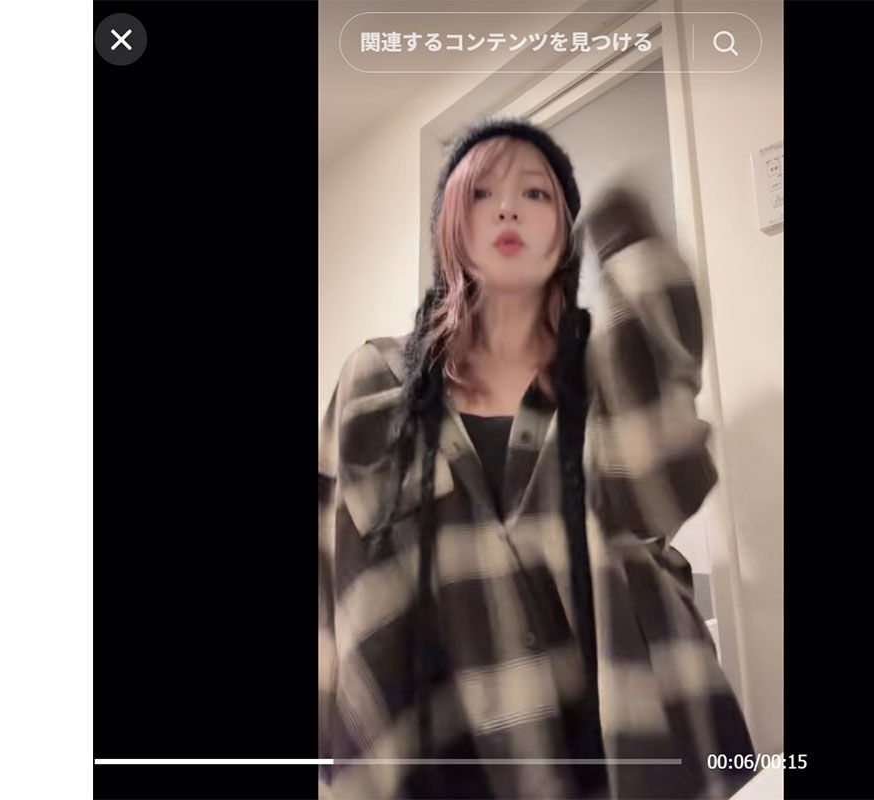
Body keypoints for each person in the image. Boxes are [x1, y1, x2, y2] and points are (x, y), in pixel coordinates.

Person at [318, 118, 755, 799]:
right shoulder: (376, 381)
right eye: (481, 193)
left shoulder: (599, 376)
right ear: (450, 230)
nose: (508, 208)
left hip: (621, 739)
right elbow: (331, 572)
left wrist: (630, 245)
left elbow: (659, 491)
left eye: (535, 193)